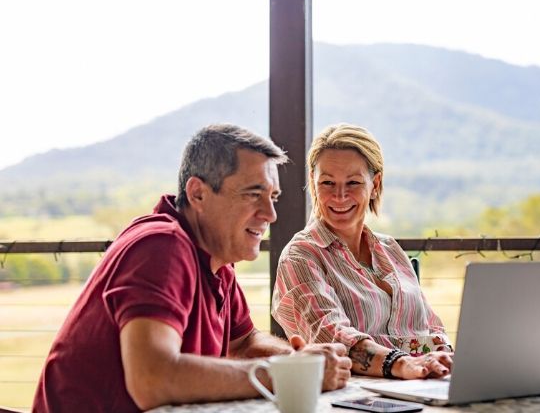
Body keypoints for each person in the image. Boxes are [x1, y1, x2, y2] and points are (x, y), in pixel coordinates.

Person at [33, 124, 352, 412]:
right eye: (253, 194)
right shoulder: (161, 246)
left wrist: (302, 363)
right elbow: (152, 379)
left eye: (273, 197)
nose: (270, 214)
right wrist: (284, 375)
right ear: (198, 193)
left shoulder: (216, 260)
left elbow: (244, 343)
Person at [272, 123, 453, 380]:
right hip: (354, 395)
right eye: (327, 182)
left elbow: (432, 326)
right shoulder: (301, 256)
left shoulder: (391, 249)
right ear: (313, 184)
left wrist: (446, 358)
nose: (340, 195)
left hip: (424, 383)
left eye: (353, 182)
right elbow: (332, 336)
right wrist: (403, 364)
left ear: (375, 184)